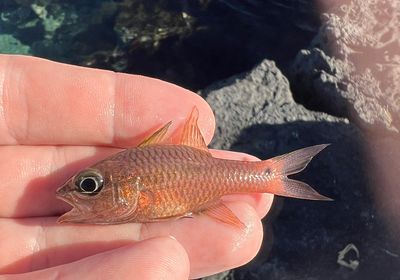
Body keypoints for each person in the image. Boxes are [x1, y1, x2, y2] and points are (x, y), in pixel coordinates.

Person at [0, 55, 273, 279]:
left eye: (90, 185)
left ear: (130, 186)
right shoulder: (133, 174)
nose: (69, 194)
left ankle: (270, 177)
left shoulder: (136, 175)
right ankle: (270, 176)